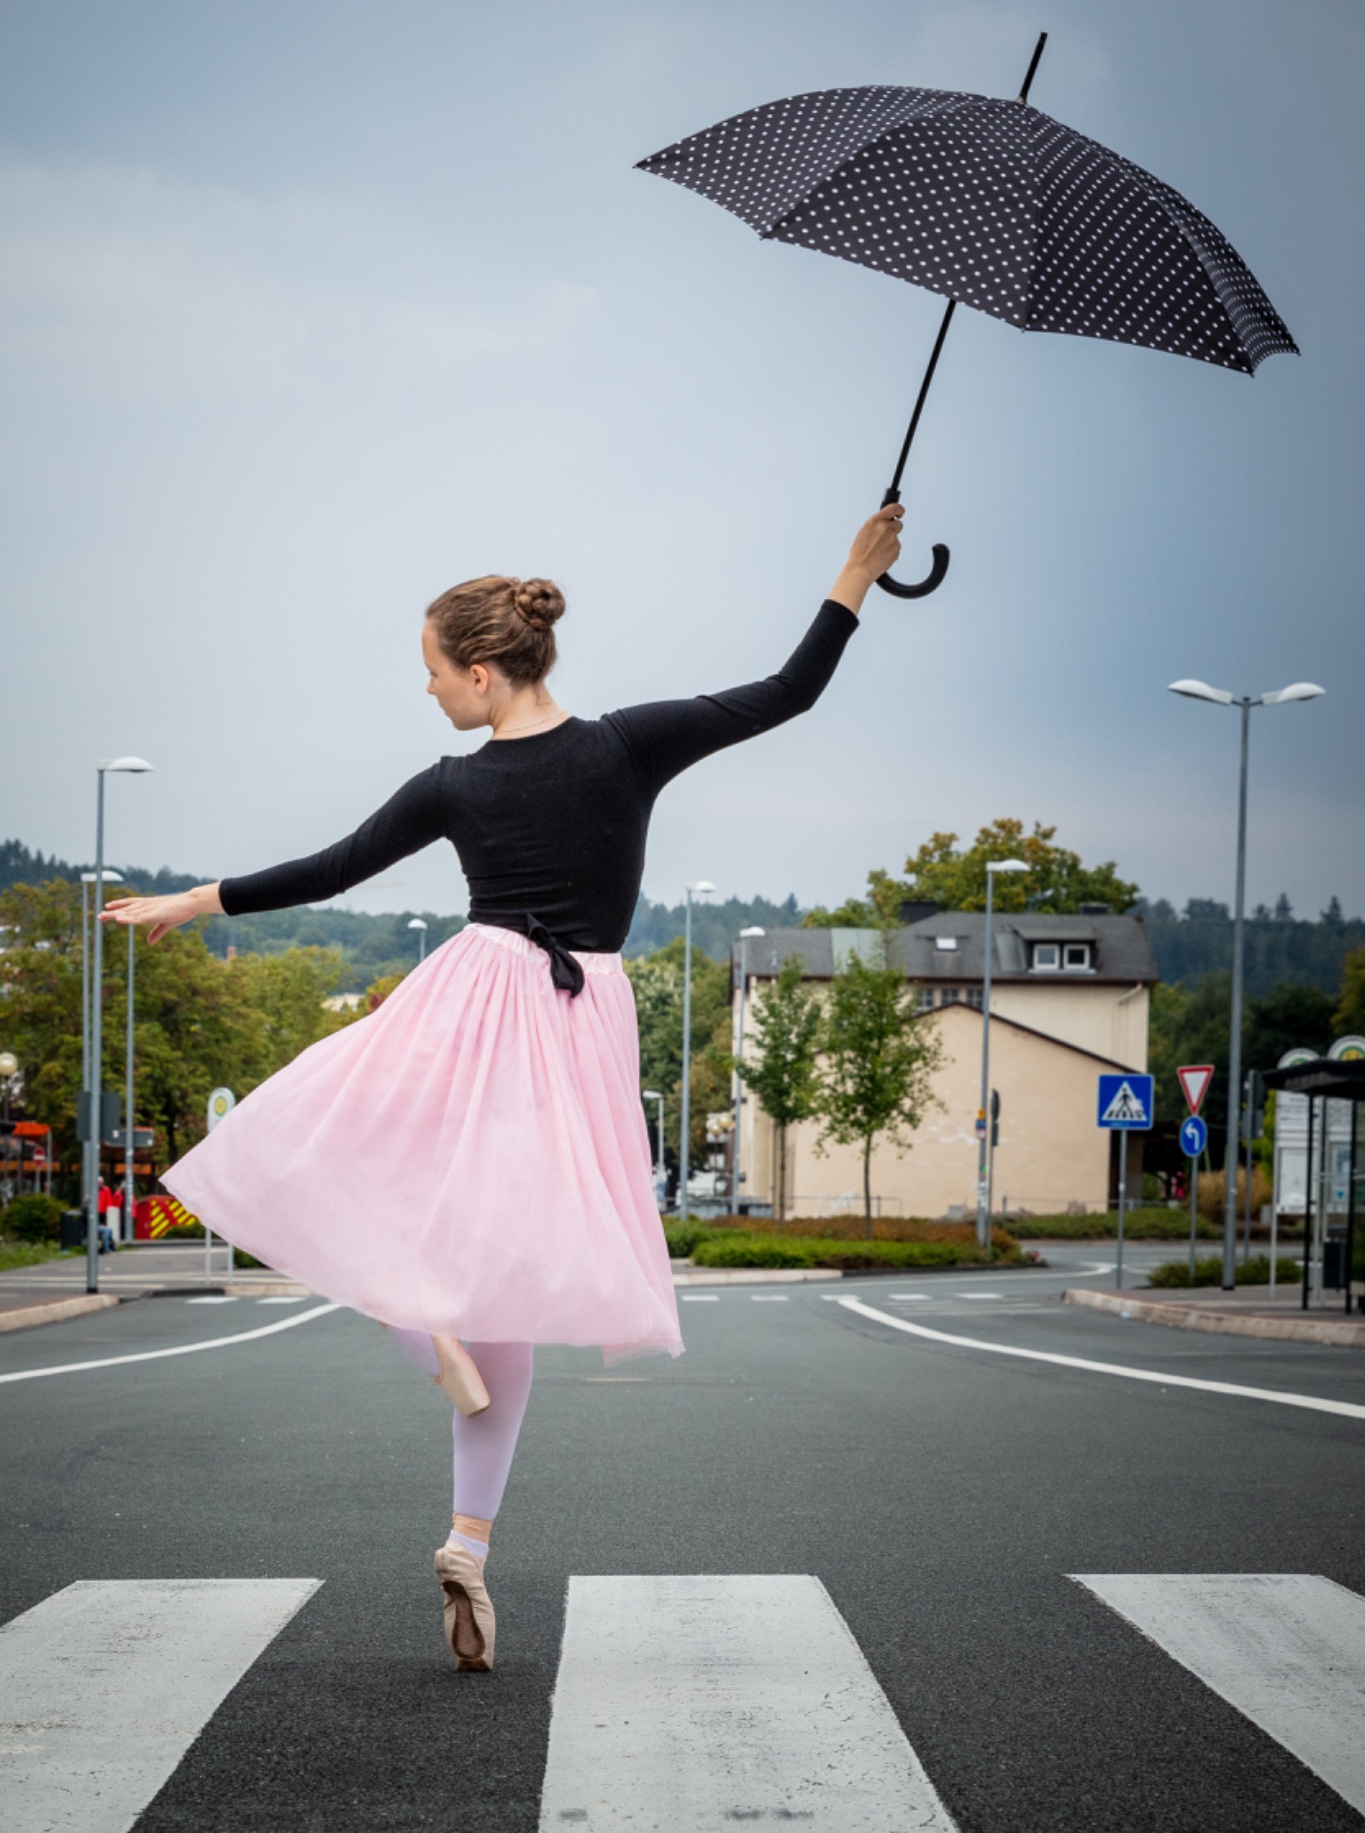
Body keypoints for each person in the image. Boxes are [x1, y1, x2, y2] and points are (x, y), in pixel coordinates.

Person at [103, 502, 904, 1670]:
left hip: (474, 996)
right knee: (512, 1286)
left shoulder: (451, 785)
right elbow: (787, 692)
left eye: (431, 673)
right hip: (579, 1023)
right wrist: (853, 575)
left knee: (352, 1171)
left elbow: (331, 868)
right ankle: (467, 1532)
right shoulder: (629, 744)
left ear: (481, 671)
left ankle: (419, 1324)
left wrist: (193, 899)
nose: (427, 693)